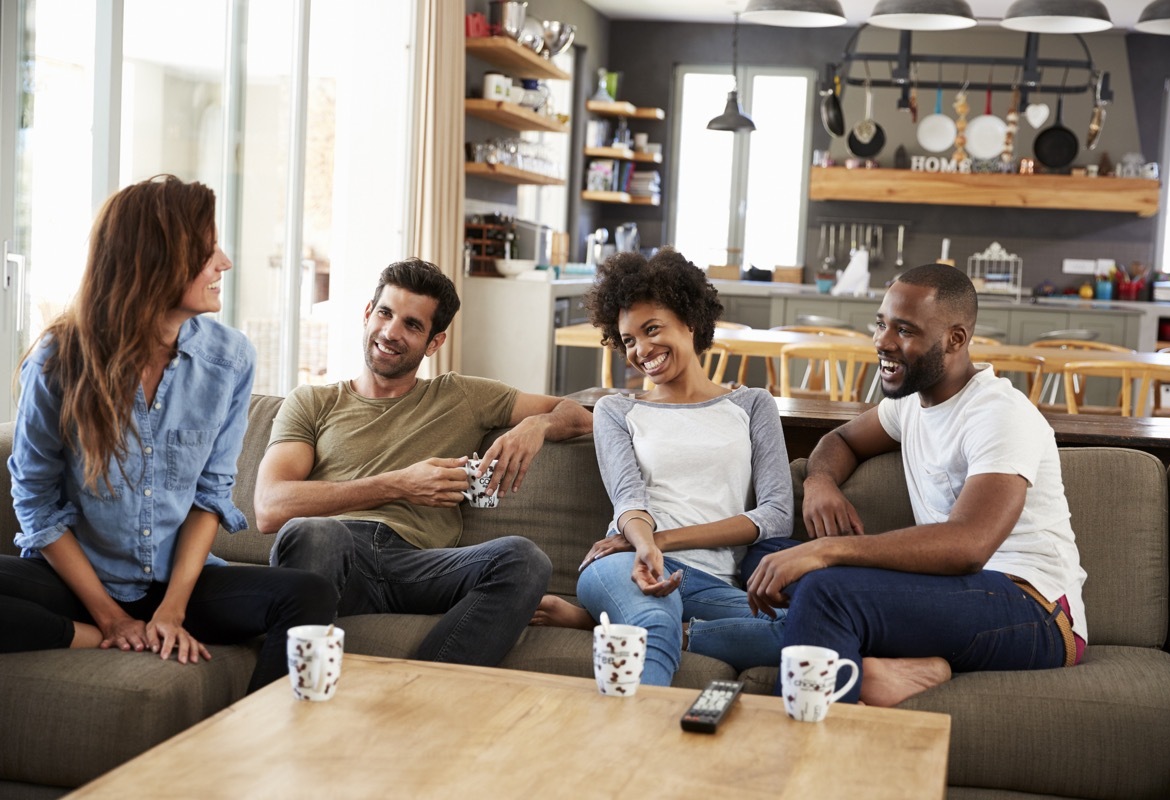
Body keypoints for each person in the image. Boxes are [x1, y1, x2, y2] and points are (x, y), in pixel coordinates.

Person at [2, 175, 337, 693]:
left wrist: (172, 611)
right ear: (154, 262)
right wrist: (111, 620)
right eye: (207, 252)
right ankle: (86, 635)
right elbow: (37, 504)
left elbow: (210, 495)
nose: (224, 262)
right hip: (79, 584)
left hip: (176, 584)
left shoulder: (229, 358)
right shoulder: (57, 362)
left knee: (309, 596)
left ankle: (261, 752)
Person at [746, 263, 1088, 707]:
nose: (883, 342)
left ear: (955, 339)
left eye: (904, 330)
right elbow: (841, 440)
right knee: (765, 555)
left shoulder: (998, 413)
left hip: (1035, 609)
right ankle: (911, 663)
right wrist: (820, 482)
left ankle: (794, 755)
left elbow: (968, 546)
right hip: (954, 594)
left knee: (823, 590)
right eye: (881, 324)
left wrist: (826, 551)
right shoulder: (911, 404)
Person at [257, 258, 593, 667]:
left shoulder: (461, 396)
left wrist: (536, 425)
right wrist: (398, 484)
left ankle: (422, 690)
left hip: (418, 565)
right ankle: (284, 702)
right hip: (336, 555)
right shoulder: (312, 402)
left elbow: (580, 414)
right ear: (367, 313)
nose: (391, 332)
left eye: (413, 325)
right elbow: (270, 508)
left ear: (434, 342)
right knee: (319, 536)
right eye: (385, 313)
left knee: (523, 560)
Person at [536, 248, 794, 686]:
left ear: (689, 321)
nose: (641, 350)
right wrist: (643, 546)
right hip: (626, 561)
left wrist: (663, 542)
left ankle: (597, 622)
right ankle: (638, 752)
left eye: (652, 329)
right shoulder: (616, 411)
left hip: (710, 580)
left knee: (808, 628)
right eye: (629, 340)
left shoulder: (752, 404)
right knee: (653, 624)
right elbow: (628, 500)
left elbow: (776, 514)